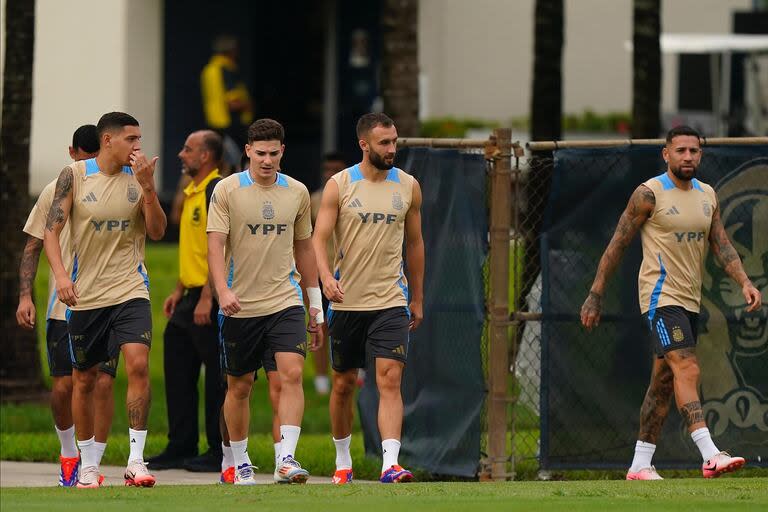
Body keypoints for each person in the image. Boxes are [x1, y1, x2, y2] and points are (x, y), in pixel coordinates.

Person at [580, 125, 762, 480]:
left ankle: (639, 464)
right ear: (666, 154)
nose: (688, 157)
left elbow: (722, 245)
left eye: (694, 151)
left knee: (663, 382)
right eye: (680, 151)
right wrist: (595, 293)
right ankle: (710, 454)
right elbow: (617, 242)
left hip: (689, 301)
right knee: (688, 367)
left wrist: (744, 282)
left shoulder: (708, 194)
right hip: (660, 297)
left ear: (700, 155)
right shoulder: (649, 193)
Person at [43, 112, 167, 488]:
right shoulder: (75, 176)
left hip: (131, 289)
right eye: (131, 139)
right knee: (83, 379)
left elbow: (159, 231)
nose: (138, 147)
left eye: (140, 139)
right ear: (108, 140)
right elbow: (51, 231)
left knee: (139, 364)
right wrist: (62, 276)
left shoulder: (139, 178)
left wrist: (148, 188)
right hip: (86, 294)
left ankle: (135, 461)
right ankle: (89, 465)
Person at [207, 118, 323, 486]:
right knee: (239, 386)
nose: (267, 160)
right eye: (260, 153)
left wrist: (314, 302)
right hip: (240, 304)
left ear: (282, 152)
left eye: (274, 153)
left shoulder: (298, 192)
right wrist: (222, 290)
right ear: (247, 152)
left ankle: (286, 458)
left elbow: (304, 247)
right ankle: (239, 461)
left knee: (290, 374)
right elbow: (214, 245)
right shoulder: (227, 190)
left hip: (285, 301)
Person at [312, 112, 425, 484]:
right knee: (343, 384)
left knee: (389, 379)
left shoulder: (408, 186)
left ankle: (390, 463)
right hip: (346, 302)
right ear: (364, 144)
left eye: (394, 142)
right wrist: (326, 277)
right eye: (384, 143)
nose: (392, 149)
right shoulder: (340, 185)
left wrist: (417, 297)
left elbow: (415, 243)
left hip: (391, 301)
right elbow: (319, 238)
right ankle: (343, 461)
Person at [16, 125, 117, 487]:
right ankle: (69, 452)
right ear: (71, 153)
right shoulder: (54, 191)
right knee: (63, 387)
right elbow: (32, 246)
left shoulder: (117, 187)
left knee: (102, 382)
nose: (88, 166)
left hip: (108, 301)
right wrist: (26, 296)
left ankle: (93, 464)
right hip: (64, 309)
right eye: (83, 158)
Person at [146, 131, 225, 472]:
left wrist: (209, 295)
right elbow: (194, 248)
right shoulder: (192, 191)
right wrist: (179, 289)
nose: (181, 154)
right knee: (178, 369)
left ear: (206, 156)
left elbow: (220, 247)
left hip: (211, 297)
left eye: (188, 150)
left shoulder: (216, 190)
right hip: (188, 296)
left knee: (216, 377)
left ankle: (218, 450)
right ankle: (181, 444)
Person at [309, 152, 348, 395]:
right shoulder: (313, 199)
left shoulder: (354, 196)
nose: (330, 173)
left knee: (346, 326)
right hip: (320, 273)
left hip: (348, 272)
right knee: (319, 325)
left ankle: (353, 370)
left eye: (336, 168)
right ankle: (321, 379)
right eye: (327, 168)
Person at [201, 34, 254, 170]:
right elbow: (233, 102)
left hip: (215, 125)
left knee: (219, 165)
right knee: (241, 164)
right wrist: (248, 105)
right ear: (232, 51)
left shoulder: (209, 69)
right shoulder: (226, 70)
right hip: (231, 127)